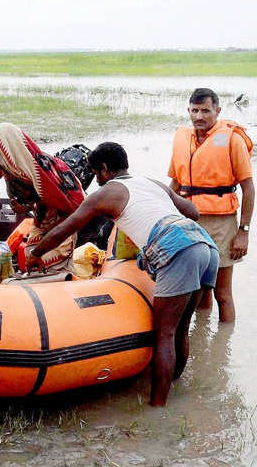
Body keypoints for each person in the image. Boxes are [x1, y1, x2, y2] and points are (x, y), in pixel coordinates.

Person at [26, 142, 219, 406]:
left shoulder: (107, 193)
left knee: (163, 334)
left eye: (95, 174)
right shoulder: (151, 183)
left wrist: (37, 253)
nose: (96, 180)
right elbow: (193, 212)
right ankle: (175, 392)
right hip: (205, 245)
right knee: (180, 329)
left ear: (103, 169)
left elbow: (68, 226)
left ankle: (158, 407)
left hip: (178, 249)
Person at [168, 88, 254, 323]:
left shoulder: (232, 140)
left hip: (222, 223)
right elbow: (175, 183)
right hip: (188, 221)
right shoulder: (182, 138)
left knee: (222, 293)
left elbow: (248, 188)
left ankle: (223, 347)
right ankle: (201, 336)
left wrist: (243, 232)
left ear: (217, 111)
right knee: (197, 289)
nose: (199, 116)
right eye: (194, 110)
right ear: (188, 111)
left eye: (205, 110)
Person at [0, 123, 86, 272]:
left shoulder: (39, 168)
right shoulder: (4, 166)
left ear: (5, 149)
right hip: (40, 221)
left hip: (62, 223)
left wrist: (27, 207)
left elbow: (70, 204)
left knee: (48, 266)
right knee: (31, 259)